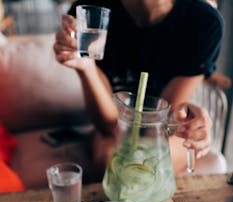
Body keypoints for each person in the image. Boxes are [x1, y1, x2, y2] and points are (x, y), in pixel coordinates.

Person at [53, 0, 224, 175]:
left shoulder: (203, 22)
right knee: (109, 162)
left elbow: (159, 123)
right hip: (113, 122)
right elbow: (109, 124)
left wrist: (184, 117)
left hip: (160, 126)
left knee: (138, 166)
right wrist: (86, 67)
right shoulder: (90, 12)